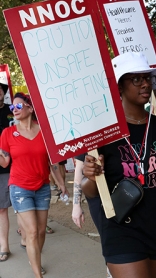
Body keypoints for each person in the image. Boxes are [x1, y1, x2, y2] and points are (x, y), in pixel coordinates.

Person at [80, 52, 156, 278]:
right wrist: (90, 177)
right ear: (119, 86)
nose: (145, 84)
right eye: (136, 79)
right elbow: (90, 192)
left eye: (147, 78)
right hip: (122, 229)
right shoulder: (104, 133)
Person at [0, 92, 68, 278]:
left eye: (19, 106)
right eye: (12, 107)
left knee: (39, 231)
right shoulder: (7, 133)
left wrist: (61, 184)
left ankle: (34, 256)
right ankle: (38, 274)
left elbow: (52, 162)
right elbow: (4, 163)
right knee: (30, 231)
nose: (14, 109)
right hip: (20, 187)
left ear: (30, 108)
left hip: (42, 186)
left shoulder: (45, 133)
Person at [0, 83, 13, 262]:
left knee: (20, 207)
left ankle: (26, 237)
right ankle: (4, 245)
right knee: (2, 208)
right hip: (1, 167)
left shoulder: (13, 110)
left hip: (16, 164)